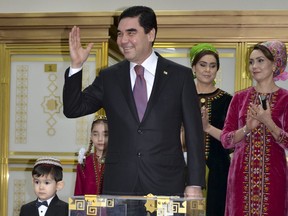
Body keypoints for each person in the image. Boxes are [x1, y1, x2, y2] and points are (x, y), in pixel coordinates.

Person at [63, 5, 205, 198]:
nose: (123, 40)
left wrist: (195, 182)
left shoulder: (180, 76)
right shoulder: (109, 77)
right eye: (120, 34)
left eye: (131, 33)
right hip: (120, 183)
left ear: (151, 34)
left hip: (166, 183)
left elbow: (194, 133)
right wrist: (76, 67)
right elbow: (73, 108)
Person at [220, 40, 288, 216]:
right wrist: (246, 129)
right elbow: (226, 140)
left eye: (260, 61)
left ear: (275, 65)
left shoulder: (285, 99)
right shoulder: (239, 98)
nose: (254, 66)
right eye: (251, 62)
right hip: (241, 176)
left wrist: (269, 122)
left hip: (274, 177)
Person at [190, 43, 232, 216]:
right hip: (184, 170)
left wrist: (207, 128)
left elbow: (232, 140)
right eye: (202, 64)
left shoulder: (228, 100)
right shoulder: (182, 97)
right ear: (193, 68)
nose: (207, 70)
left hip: (219, 170)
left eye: (212, 66)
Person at [74, 115, 108, 195]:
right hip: (88, 207)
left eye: (105, 135)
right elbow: (78, 193)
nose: (100, 139)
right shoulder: (84, 162)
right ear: (91, 136)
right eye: (95, 134)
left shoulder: (117, 162)